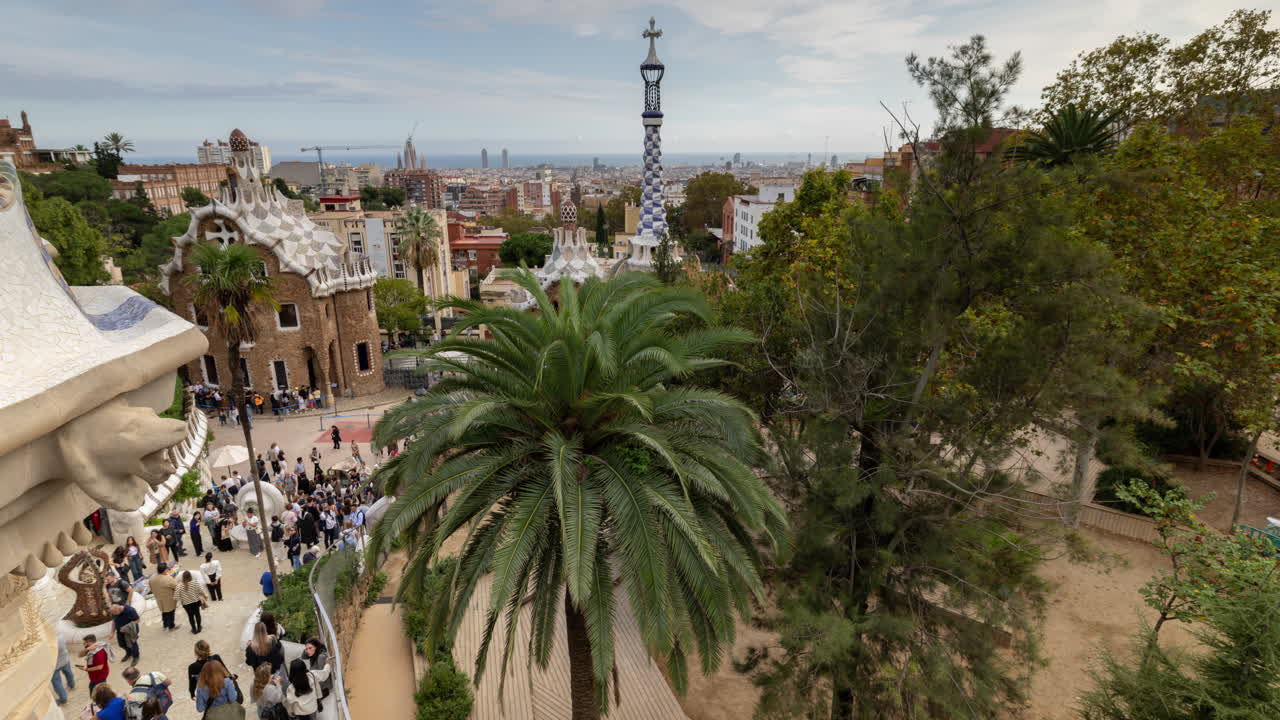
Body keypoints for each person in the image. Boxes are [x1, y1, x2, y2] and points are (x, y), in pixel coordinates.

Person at [150, 563, 179, 631]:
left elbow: (151, 588)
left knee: (164, 612)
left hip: (159, 598)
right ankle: (171, 627)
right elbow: (176, 587)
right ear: (165, 570)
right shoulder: (168, 578)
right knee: (170, 612)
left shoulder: (152, 578)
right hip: (169, 599)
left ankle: (165, 625)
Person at [51, 636, 76, 705]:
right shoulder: (60, 637)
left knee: (57, 682)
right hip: (65, 660)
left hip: (54, 665)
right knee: (68, 673)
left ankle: (63, 699)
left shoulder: (48, 643)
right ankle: (72, 685)